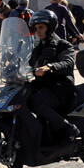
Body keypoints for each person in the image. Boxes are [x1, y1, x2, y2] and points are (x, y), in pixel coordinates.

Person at [27, 9, 78, 143]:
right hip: (44, 86)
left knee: (36, 101)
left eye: (41, 27)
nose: (38, 31)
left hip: (61, 88)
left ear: (49, 27)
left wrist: (50, 67)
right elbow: (29, 63)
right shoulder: (38, 48)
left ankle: (68, 128)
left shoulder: (63, 45)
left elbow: (68, 63)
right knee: (21, 96)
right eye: (36, 28)